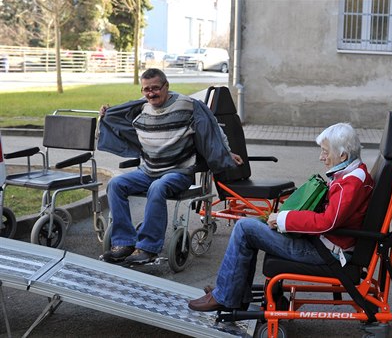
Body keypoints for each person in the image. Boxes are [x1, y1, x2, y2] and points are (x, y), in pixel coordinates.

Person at [188, 123, 374, 312]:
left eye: (325, 152)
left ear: (342, 155)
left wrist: (285, 219)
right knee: (247, 227)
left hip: (324, 251)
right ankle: (230, 291)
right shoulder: (353, 174)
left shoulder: (350, 183)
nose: (321, 157)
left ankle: (226, 296)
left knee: (244, 228)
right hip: (324, 244)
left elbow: (328, 222)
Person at [99, 68, 243, 264]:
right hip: (148, 170)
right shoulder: (141, 108)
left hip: (179, 172)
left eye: (156, 88)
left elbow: (213, 128)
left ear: (166, 86)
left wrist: (226, 152)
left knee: (157, 187)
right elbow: (118, 120)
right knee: (116, 184)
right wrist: (107, 114)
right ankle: (124, 242)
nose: (151, 93)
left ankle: (148, 247)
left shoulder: (188, 106)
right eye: (146, 89)